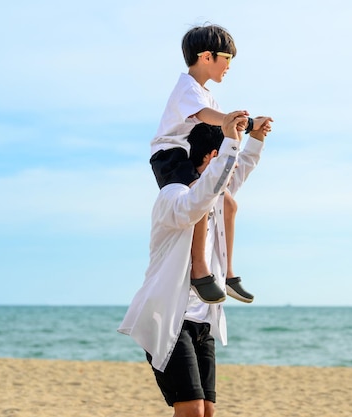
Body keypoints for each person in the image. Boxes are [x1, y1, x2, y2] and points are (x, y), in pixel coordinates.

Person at [119, 111, 272, 417]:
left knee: (208, 411)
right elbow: (197, 202)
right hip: (169, 319)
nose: (235, 168)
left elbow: (240, 171)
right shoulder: (174, 196)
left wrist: (256, 138)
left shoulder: (217, 195)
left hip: (202, 322)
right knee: (191, 410)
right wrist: (232, 141)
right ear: (215, 156)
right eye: (230, 157)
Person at [149, 23, 271, 304]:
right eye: (227, 59)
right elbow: (206, 116)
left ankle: (228, 274)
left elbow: (216, 123)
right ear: (207, 57)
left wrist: (249, 130)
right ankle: (199, 269)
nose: (229, 66)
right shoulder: (186, 88)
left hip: (189, 153)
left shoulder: (205, 92)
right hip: (171, 156)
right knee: (201, 199)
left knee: (228, 202)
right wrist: (240, 122)